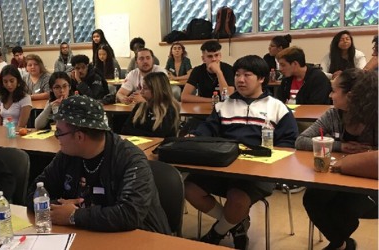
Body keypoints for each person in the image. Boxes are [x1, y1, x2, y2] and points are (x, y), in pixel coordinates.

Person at [185, 55, 299, 248]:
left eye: (247, 75)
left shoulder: (277, 107)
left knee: (237, 198)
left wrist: (271, 158)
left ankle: (214, 235)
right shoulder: (224, 105)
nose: (240, 79)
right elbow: (209, 129)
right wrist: (196, 136)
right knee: (190, 188)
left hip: (258, 172)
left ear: (262, 78)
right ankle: (237, 224)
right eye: (237, 75)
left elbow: (288, 143)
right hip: (225, 166)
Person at [31, 95, 171, 234]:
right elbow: (34, 192)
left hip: (142, 237)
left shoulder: (130, 159)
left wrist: (75, 215)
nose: (56, 137)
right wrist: (59, 208)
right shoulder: (67, 155)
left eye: (59, 132)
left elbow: (130, 215)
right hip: (92, 234)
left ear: (79, 136)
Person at [297, 69, 378, 250]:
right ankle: (341, 243)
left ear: (350, 96)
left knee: (342, 209)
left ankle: (339, 240)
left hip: (369, 184)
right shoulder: (333, 115)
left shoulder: (376, 117)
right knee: (312, 198)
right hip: (338, 176)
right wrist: (339, 146)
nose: (329, 95)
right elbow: (301, 141)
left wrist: (367, 154)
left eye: (333, 91)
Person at [120, 72, 180, 137]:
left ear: (156, 90)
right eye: (142, 88)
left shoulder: (169, 109)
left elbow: (160, 135)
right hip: (140, 145)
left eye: (145, 88)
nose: (141, 92)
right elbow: (125, 130)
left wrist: (136, 132)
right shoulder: (140, 106)